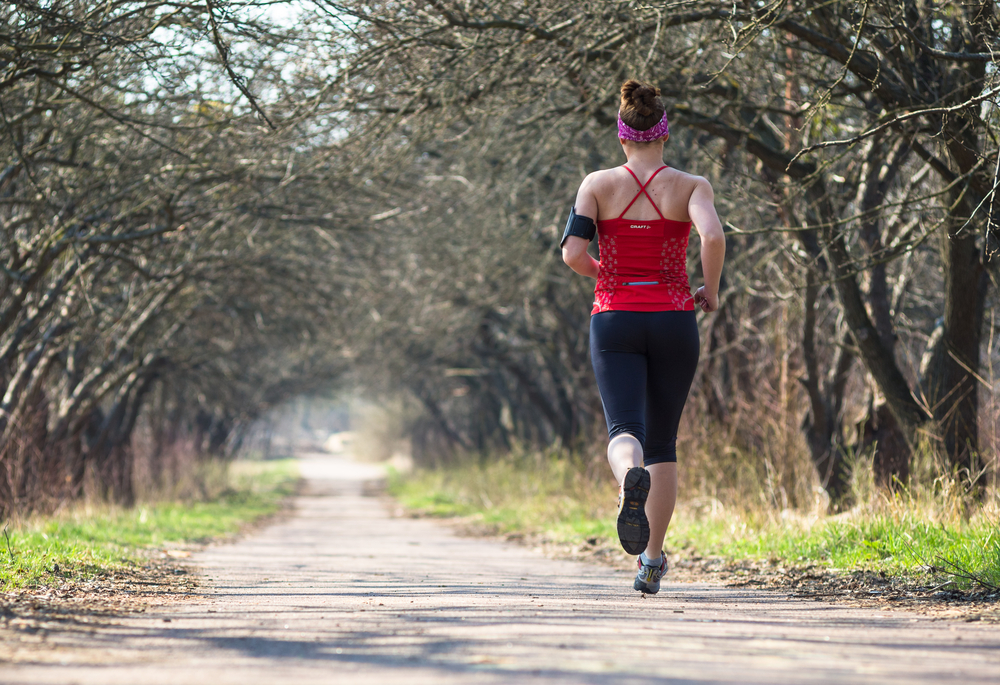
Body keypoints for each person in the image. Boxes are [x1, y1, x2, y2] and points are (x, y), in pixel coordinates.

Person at [561, 80, 725, 594]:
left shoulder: (597, 184)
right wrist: (711, 290)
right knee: (664, 442)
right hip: (675, 315)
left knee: (624, 431)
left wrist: (604, 274)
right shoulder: (691, 185)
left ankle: (628, 476)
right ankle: (651, 560)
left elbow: (571, 253)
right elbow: (713, 236)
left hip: (615, 316)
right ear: (664, 133)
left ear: (622, 136)